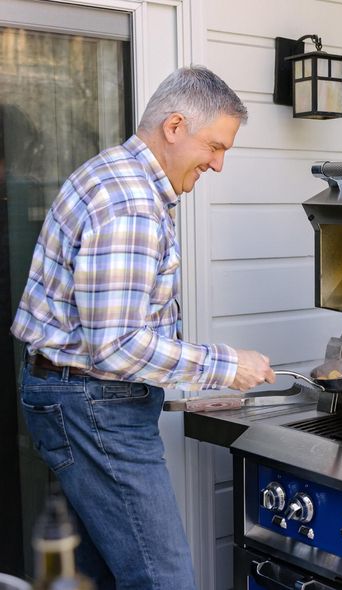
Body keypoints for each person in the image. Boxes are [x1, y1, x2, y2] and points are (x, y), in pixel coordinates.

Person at [11, 65, 275, 590]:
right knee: (163, 578)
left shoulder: (114, 175)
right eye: (216, 146)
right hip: (95, 405)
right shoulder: (130, 202)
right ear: (175, 126)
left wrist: (172, 379)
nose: (219, 164)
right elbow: (117, 346)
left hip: (78, 398)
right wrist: (226, 366)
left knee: (90, 573)